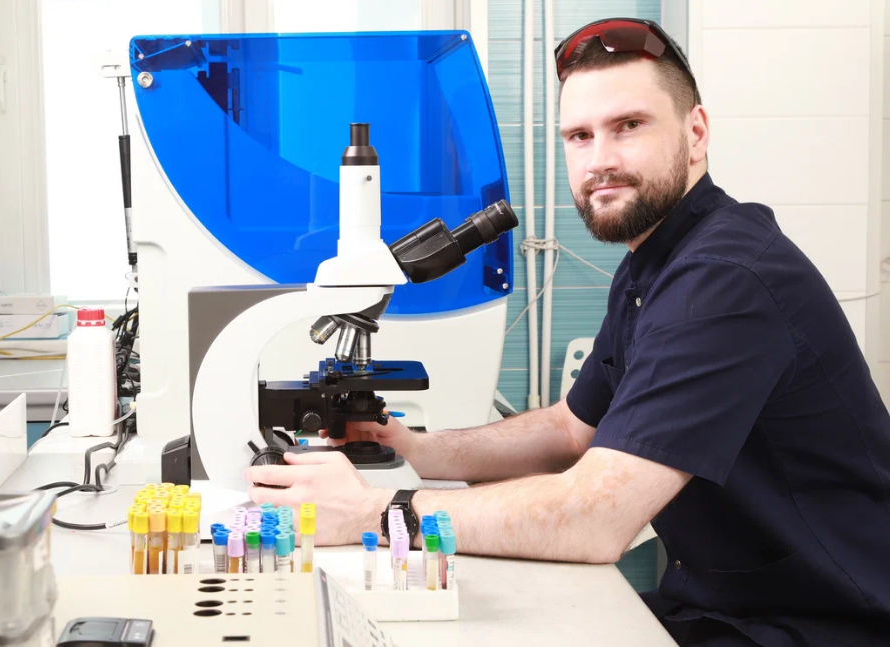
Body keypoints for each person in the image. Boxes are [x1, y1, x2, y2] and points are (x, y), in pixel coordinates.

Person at [245, 17, 890, 646]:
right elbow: (568, 430)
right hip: (719, 609)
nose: (600, 160)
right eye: (579, 136)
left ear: (696, 133)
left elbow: (593, 519)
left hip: (818, 624)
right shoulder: (652, 266)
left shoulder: (724, 279)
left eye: (628, 126)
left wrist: (374, 512)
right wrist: (415, 448)